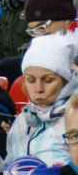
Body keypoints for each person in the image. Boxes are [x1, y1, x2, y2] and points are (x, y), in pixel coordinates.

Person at [6, 35, 75, 165]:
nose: (38, 89)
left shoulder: (73, 119)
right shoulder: (20, 122)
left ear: (65, 81)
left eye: (48, 80)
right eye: (31, 80)